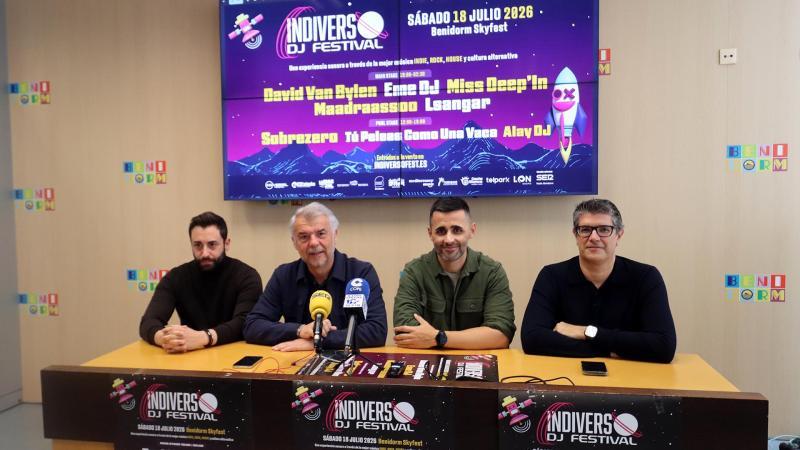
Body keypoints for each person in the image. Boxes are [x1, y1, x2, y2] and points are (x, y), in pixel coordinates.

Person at [521, 199, 676, 363]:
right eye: (585, 230)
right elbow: (532, 339)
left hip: (632, 377)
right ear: (575, 235)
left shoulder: (646, 277)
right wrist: (611, 348)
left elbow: (663, 347)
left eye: (604, 230)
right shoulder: (551, 276)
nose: (594, 237)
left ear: (619, 235)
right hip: (564, 375)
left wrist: (586, 332)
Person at [244, 202, 387, 351]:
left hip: (348, 360)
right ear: (294, 242)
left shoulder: (360, 273)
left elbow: (376, 331)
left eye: (321, 234)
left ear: (335, 235)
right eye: (304, 237)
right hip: (295, 361)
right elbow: (253, 326)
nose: (313, 242)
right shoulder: (284, 275)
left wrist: (318, 341)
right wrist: (300, 330)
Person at [393, 197, 515, 349]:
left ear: (472, 230)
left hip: (477, 361)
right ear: (430, 233)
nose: (449, 239)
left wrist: (439, 338)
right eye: (441, 231)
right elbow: (405, 332)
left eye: (457, 230)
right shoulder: (413, 272)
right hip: (428, 361)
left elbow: (501, 335)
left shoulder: (492, 272)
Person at [139, 212, 262, 353]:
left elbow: (245, 322)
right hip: (189, 355)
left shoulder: (247, 276)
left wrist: (204, 337)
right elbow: (149, 321)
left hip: (233, 355)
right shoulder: (175, 277)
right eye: (198, 245)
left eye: (212, 245)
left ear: (226, 244)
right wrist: (165, 339)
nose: (204, 253)